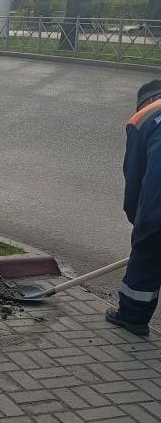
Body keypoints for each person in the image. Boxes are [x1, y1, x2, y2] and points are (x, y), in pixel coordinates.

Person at [107, 79, 161, 336]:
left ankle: (132, 317)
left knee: (147, 257)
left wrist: (140, 223)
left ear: (145, 101)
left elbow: (135, 178)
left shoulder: (143, 119)